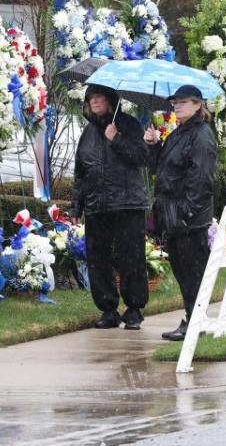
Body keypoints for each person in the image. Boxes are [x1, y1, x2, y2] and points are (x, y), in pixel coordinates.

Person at [71, 84, 150, 330]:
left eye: (99, 97)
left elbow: (141, 157)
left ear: (111, 100)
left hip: (128, 205)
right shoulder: (87, 134)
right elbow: (80, 173)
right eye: (90, 98)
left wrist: (116, 138)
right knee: (97, 259)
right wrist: (76, 207)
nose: (94, 102)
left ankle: (134, 308)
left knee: (131, 257)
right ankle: (108, 309)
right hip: (97, 206)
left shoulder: (129, 125)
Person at [144, 84, 217, 341]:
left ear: (198, 105)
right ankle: (192, 319)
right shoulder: (179, 133)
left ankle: (195, 321)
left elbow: (201, 179)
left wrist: (187, 213)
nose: (177, 106)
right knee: (182, 270)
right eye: (175, 102)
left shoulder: (201, 134)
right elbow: (162, 169)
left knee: (192, 271)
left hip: (189, 218)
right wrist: (154, 146)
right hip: (172, 214)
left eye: (183, 102)